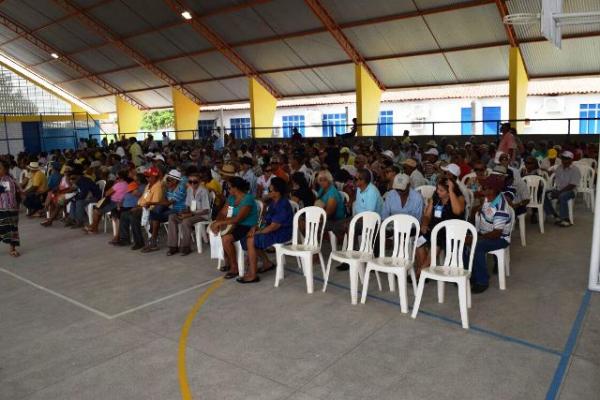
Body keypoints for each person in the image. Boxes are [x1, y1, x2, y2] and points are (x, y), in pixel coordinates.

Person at [240, 177, 293, 283]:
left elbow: (274, 226)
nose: (268, 192)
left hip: (282, 232)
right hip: (273, 230)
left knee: (251, 239)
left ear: (277, 192)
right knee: (247, 235)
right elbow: (265, 220)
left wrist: (257, 231)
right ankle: (266, 263)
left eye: (270, 190)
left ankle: (253, 274)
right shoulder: (273, 202)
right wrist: (257, 226)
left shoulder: (282, 205)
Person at [468, 174, 512, 294]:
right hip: (485, 231)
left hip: (500, 238)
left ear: (493, 189)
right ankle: (470, 273)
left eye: (485, 187)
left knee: (478, 246)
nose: (482, 189)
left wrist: (476, 237)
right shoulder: (489, 198)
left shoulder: (501, 207)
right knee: (463, 239)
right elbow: (484, 211)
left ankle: (482, 281)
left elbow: (497, 233)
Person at [415, 178, 465, 276]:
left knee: (437, 240)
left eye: (441, 190)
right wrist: (424, 224)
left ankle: (420, 272)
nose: (438, 192)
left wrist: (451, 191)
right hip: (434, 228)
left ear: (449, 192)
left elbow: (457, 211)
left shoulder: (457, 198)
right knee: (418, 242)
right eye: (437, 189)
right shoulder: (436, 198)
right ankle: (424, 271)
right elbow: (427, 215)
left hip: (450, 231)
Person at [211, 177, 258, 279]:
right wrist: (218, 222)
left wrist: (220, 223)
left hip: (247, 225)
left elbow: (238, 218)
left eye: (229, 187)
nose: (227, 189)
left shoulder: (247, 199)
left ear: (235, 188)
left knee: (226, 238)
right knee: (218, 232)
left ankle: (234, 267)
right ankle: (227, 261)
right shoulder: (231, 198)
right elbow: (222, 213)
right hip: (234, 224)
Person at [166, 171, 210, 256]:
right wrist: (184, 212)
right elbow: (188, 206)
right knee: (172, 217)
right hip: (191, 213)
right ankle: (173, 246)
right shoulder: (189, 189)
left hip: (202, 215)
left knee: (186, 221)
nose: (192, 184)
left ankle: (186, 247)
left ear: (200, 181)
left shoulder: (203, 191)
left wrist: (190, 214)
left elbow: (206, 210)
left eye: (195, 182)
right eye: (190, 182)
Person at [143, 169, 186, 252]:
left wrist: (152, 203)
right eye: (167, 179)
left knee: (155, 215)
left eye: (169, 180)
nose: (167, 181)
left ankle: (153, 240)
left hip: (179, 210)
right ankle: (153, 241)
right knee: (156, 211)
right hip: (171, 209)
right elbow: (163, 200)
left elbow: (167, 203)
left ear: (175, 181)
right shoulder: (169, 188)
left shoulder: (181, 189)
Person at [84, 169, 129, 235]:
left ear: (119, 178)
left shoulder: (118, 185)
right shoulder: (126, 184)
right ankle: (93, 227)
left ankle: (93, 227)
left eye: (117, 177)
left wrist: (114, 185)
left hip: (114, 202)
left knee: (96, 211)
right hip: (120, 202)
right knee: (98, 211)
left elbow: (107, 193)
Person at [130, 166, 164, 250]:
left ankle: (140, 242)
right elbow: (142, 198)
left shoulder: (158, 186)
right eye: (146, 176)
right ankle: (130, 239)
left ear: (154, 176)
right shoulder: (149, 185)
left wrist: (140, 208)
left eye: (148, 176)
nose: (146, 178)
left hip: (150, 209)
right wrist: (138, 205)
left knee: (133, 217)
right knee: (126, 214)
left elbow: (155, 203)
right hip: (143, 207)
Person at [543, 151, 580, 227]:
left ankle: (565, 219)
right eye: (563, 158)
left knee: (563, 196)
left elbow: (572, 185)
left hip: (571, 191)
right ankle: (554, 215)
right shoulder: (559, 168)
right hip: (558, 190)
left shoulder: (575, 170)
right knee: (543, 194)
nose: (564, 160)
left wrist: (559, 192)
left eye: (566, 158)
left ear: (571, 160)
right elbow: (552, 175)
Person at [115, 174, 146, 247]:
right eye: (134, 180)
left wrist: (138, 206)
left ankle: (139, 242)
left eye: (136, 180)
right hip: (138, 206)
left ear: (140, 180)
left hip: (144, 207)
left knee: (133, 217)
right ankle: (125, 239)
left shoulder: (143, 187)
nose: (135, 181)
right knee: (124, 215)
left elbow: (144, 199)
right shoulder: (136, 185)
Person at [315, 170, 346, 234]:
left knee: (310, 224)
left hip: (336, 220)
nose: (322, 182)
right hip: (324, 216)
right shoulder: (322, 189)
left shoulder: (332, 193)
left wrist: (316, 218)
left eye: (325, 180)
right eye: (320, 180)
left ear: (329, 180)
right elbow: (316, 202)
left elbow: (329, 213)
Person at [0, 159, 20, 257]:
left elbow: (3, 191)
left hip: (8, 208)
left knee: (11, 229)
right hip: (3, 207)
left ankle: (12, 249)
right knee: (4, 228)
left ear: (5, 169)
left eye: (0, 168)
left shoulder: (7, 179)